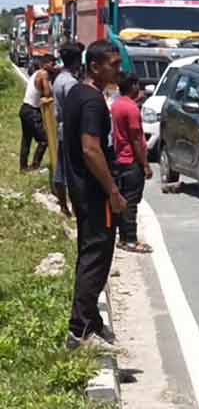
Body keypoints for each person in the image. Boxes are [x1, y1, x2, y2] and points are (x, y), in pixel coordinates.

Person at [64, 41, 127, 350]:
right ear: (94, 67)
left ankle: (91, 321)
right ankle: (80, 331)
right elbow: (90, 149)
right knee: (96, 257)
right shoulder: (92, 102)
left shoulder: (77, 93)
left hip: (82, 190)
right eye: (113, 64)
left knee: (90, 253)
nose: (119, 69)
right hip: (95, 193)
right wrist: (112, 191)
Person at [110, 73, 153, 253]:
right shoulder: (131, 108)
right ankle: (130, 240)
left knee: (123, 200)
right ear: (133, 86)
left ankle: (122, 237)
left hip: (119, 158)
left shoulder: (116, 105)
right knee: (131, 202)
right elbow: (136, 139)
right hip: (131, 160)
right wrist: (145, 164)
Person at [53, 42, 83, 217]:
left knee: (61, 169)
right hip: (71, 131)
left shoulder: (59, 79)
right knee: (71, 172)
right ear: (76, 61)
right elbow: (75, 109)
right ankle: (71, 206)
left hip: (62, 128)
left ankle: (63, 205)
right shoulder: (70, 82)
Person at [20, 54, 55, 172]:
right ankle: (35, 166)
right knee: (44, 139)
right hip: (32, 111)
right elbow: (48, 93)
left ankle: (23, 167)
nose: (54, 66)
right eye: (52, 63)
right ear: (45, 64)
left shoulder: (36, 73)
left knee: (26, 139)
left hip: (25, 108)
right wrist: (50, 82)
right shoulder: (43, 74)